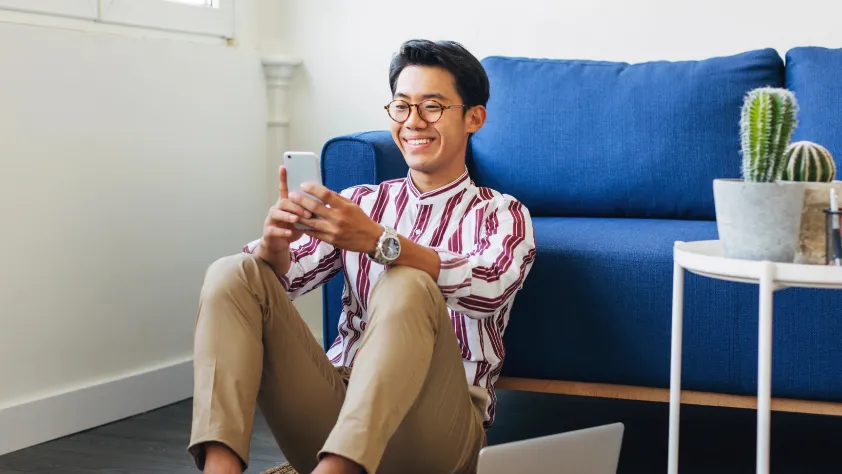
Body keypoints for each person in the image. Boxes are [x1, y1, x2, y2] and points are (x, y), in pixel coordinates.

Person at [188, 39, 537, 474]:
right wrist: (273, 250)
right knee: (233, 272)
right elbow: (277, 286)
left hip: (438, 428)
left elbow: (491, 288)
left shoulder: (501, 213)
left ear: (474, 117)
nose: (413, 122)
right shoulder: (360, 204)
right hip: (338, 409)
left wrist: (380, 242)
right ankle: (220, 469)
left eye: (432, 107)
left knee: (408, 281)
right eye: (402, 106)